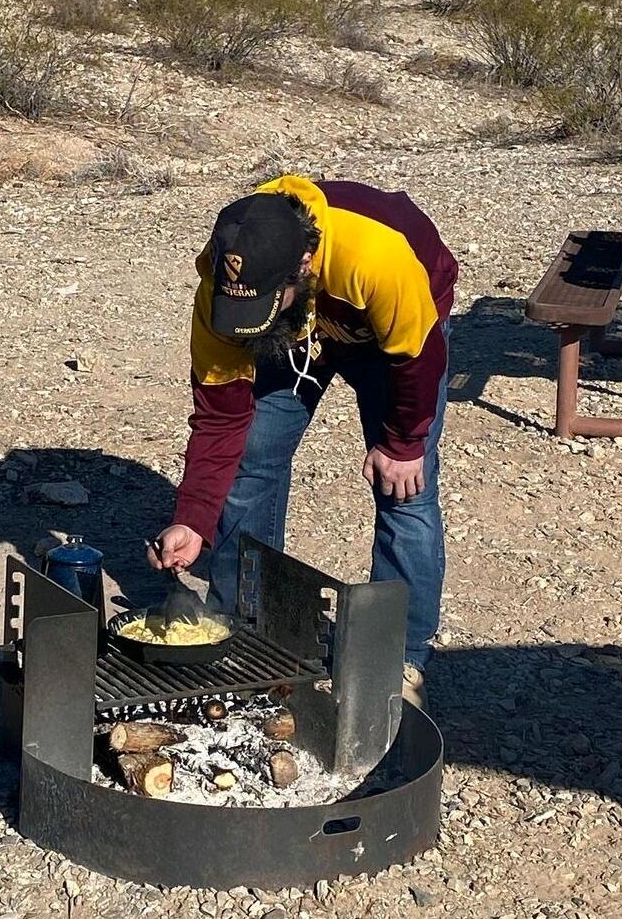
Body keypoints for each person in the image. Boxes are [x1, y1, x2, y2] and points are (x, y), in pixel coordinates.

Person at [148, 175, 458, 709]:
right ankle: (247, 628)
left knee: (403, 491)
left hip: (391, 338)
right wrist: (192, 518)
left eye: (267, 301)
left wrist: (404, 443)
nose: (244, 318)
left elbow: (417, 357)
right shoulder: (225, 284)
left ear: (305, 265)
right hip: (299, 331)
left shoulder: (376, 255)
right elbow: (221, 418)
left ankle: (399, 654)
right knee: (251, 463)